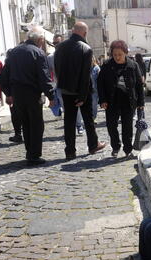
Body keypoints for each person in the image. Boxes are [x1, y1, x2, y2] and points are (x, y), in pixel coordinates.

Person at [0, 26, 55, 166]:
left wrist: (8, 93)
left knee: (25, 123)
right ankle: (34, 155)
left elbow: (3, 76)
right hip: (32, 94)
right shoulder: (38, 53)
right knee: (36, 125)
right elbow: (44, 77)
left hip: (17, 94)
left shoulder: (14, 52)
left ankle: (30, 152)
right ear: (40, 40)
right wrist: (51, 96)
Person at [54, 21, 106, 160]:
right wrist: (82, 96)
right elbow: (84, 76)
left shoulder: (60, 47)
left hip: (65, 90)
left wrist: (63, 86)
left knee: (69, 122)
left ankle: (70, 151)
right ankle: (93, 144)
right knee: (88, 120)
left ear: (72, 31)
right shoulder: (86, 48)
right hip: (81, 91)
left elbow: (57, 69)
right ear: (84, 33)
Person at [97, 40, 144, 158]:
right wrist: (102, 100)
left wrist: (141, 102)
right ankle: (116, 146)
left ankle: (128, 149)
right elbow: (100, 83)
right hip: (111, 101)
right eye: (115, 55)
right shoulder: (107, 65)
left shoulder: (133, 65)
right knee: (111, 126)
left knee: (127, 127)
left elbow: (139, 84)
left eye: (120, 54)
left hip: (128, 101)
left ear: (125, 53)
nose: (117, 57)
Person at [91, 56, 100, 123]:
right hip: (87, 90)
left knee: (94, 105)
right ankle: (89, 118)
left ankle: (93, 118)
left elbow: (100, 79)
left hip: (95, 90)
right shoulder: (85, 67)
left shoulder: (97, 68)